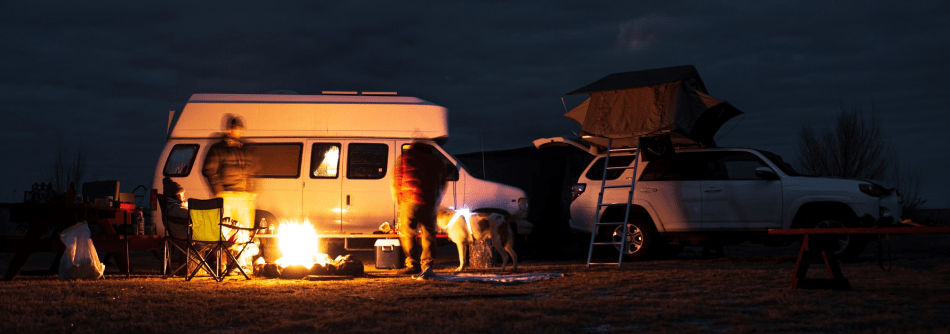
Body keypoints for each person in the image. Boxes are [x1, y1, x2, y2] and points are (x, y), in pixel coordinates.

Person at [202, 114, 257, 269]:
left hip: (244, 197)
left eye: (240, 129)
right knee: (225, 232)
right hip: (226, 196)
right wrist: (219, 191)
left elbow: (252, 170)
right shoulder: (218, 149)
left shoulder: (245, 149)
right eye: (235, 129)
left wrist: (251, 191)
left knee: (245, 231)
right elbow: (208, 169)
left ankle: (242, 264)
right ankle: (222, 264)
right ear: (228, 130)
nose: (238, 132)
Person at [392, 142, 447, 279]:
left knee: (407, 232)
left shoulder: (404, 158)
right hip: (429, 201)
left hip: (409, 199)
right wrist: (436, 198)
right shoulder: (437, 161)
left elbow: (397, 178)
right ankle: (427, 264)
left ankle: (413, 264)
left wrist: (398, 197)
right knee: (429, 233)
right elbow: (442, 181)